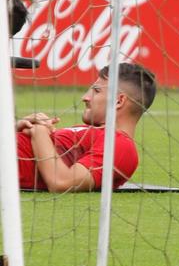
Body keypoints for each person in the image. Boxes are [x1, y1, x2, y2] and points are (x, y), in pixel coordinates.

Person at [16, 63, 158, 194]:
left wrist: (39, 132)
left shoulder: (121, 146)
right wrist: (17, 128)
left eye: (96, 91)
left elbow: (60, 183)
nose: (85, 97)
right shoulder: (90, 132)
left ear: (119, 101)